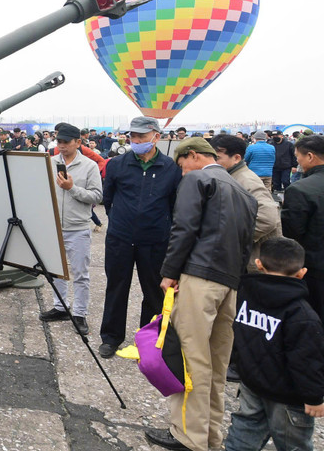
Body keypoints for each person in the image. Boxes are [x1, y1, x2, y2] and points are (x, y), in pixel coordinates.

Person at [145, 137, 257, 451]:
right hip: (229, 282)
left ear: (193, 156)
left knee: (189, 358)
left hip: (198, 276)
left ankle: (188, 436)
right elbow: (247, 244)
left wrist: (169, 271)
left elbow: (184, 227)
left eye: (182, 166)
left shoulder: (198, 178)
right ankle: (211, 436)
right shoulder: (243, 191)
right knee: (217, 364)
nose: (182, 173)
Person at [222, 238, 324, 451]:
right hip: (287, 396)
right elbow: (307, 360)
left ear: (259, 264)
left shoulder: (245, 295)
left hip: (252, 381)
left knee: (243, 434)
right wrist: (314, 397)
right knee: (293, 444)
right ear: (302, 273)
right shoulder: (303, 315)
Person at [99, 116, 182, 358]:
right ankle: (111, 337)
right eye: (132, 136)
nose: (135, 140)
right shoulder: (116, 164)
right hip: (120, 238)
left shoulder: (170, 168)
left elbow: (174, 204)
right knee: (116, 287)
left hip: (155, 239)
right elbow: (108, 198)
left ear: (156, 136)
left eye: (141, 136)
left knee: (154, 291)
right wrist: (118, 220)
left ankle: (148, 339)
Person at [39, 124, 103, 335]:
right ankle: (60, 307)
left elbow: (96, 196)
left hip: (77, 228)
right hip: (53, 226)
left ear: (78, 142)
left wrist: (72, 189)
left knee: (80, 274)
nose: (62, 146)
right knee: (57, 271)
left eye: (67, 142)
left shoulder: (89, 166)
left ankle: (80, 313)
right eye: (59, 142)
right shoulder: (49, 163)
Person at [212, 135, 281, 271]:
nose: (213, 162)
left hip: (256, 261)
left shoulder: (246, 181)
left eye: (217, 158)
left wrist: (230, 239)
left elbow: (268, 218)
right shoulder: (231, 176)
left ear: (237, 158)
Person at [281, 134, 324, 320]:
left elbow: (292, 234)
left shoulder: (300, 189)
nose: (297, 161)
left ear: (310, 156)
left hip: (315, 267)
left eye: (298, 156)